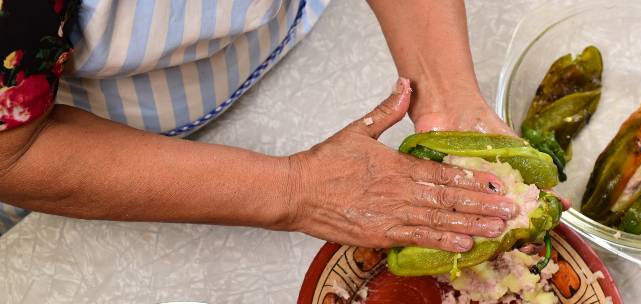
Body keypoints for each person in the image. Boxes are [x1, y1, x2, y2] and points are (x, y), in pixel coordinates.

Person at [0, 0, 518, 253]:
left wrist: (449, 101)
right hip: (113, 148)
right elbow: (13, 155)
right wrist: (297, 190)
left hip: (293, 37)